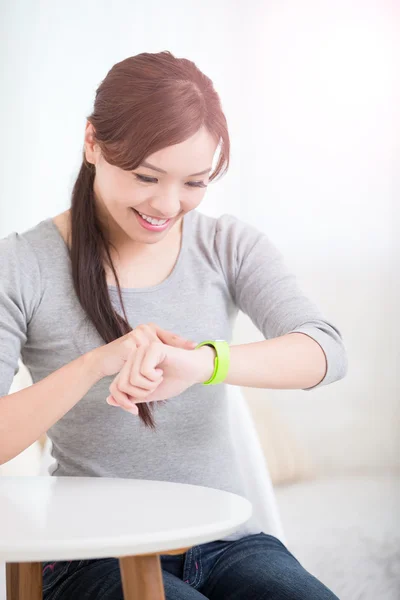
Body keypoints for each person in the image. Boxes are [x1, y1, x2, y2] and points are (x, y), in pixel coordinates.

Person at [0, 51, 347, 599]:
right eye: (146, 176)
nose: (167, 204)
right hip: (91, 556)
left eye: (194, 182)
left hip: (229, 542)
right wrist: (97, 362)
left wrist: (206, 363)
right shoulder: (22, 264)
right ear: (92, 142)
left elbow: (325, 352)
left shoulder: (226, 245)